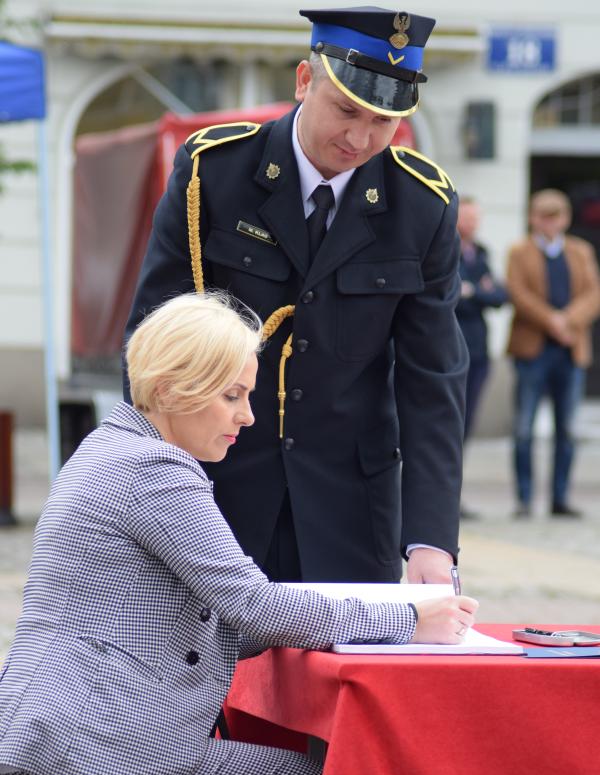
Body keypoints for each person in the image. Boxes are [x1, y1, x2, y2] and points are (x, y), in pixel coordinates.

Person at [0, 292, 478, 775]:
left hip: (43, 746)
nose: (248, 417)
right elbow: (253, 606)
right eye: (232, 396)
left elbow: (206, 616)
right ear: (171, 390)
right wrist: (407, 618)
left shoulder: (106, 449)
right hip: (89, 756)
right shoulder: (155, 471)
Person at [123, 6, 468, 591]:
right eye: (347, 110)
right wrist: (151, 487)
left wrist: (431, 541)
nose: (359, 138)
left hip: (350, 511)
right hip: (212, 496)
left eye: (384, 121)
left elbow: (432, 379)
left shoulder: (421, 206)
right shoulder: (215, 172)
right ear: (305, 81)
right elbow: (151, 345)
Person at [506, 188, 600, 518]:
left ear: (566, 219)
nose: (550, 223)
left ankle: (560, 498)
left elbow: (593, 294)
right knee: (524, 428)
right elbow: (518, 293)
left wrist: (568, 320)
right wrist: (551, 321)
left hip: (570, 349)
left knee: (567, 428)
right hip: (532, 350)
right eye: (544, 217)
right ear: (533, 219)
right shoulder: (519, 252)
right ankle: (524, 498)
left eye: (555, 217)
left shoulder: (580, 251)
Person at [456, 196, 507, 519]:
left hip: (479, 351)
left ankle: (453, 497)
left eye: (476, 218)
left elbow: (500, 296)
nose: (473, 224)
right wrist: (479, 290)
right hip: (451, 350)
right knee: (446, 428)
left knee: (465, 427)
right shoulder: (445, 249)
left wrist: (473, 290)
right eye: (467, 218)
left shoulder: (482, 253)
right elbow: (449, 294)